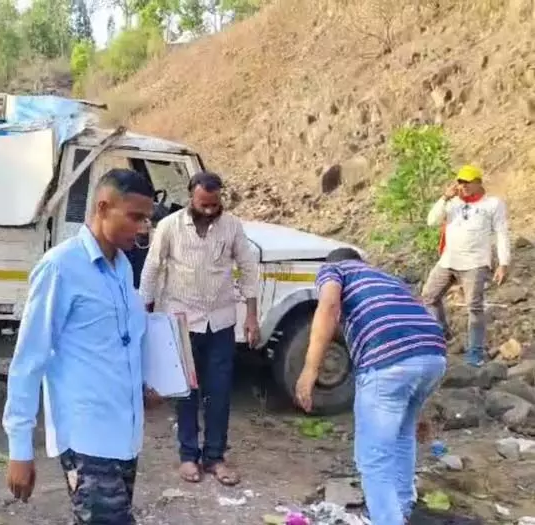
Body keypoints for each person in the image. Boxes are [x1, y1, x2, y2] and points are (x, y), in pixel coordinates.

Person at [2, 168, 159, 525]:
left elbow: (119, 344)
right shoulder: (60, 267)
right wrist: (19, 449)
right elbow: (28, 361)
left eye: (146, 219)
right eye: (135, 217)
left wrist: (144, 386)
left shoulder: (122, 268)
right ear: (103, 207)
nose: (142, 228)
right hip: (88, 436)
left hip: (125, 433)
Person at [296, 247, 447, 525]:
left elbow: (328, 307)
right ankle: (402, 509)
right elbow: (410, 326)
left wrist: (310, 369)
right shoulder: (388, 278)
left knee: (373, 458)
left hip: (388, 361)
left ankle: (388, 520)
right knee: (403, 435)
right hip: (434, 354)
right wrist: (420, 409)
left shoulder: (335, 269)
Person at [139, 171, 260, 487]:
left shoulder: (232, 226)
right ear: (191, 197)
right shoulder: (170, 226)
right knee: (186, 393)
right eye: (203, 204)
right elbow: (152, 268)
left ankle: (215, 457)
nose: (209, 209)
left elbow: (248, 268)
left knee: (219, 392)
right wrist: (144, 315)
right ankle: (188, 456)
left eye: (214, 204)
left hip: (221, 322)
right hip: (181, 322)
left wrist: (251, 316)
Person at [423, 165, 510, 367]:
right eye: (460, 182)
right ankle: (444, 336)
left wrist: (503, 263)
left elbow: (501, 234)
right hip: (448, 260)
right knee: (429, 296)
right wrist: (444, 198)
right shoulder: (453, 203)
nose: (463, 186)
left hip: (475, 263)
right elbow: (431, 221)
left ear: (478, 182)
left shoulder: (492, 204)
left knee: (474, 307)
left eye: (467, 182)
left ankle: (475, 352)